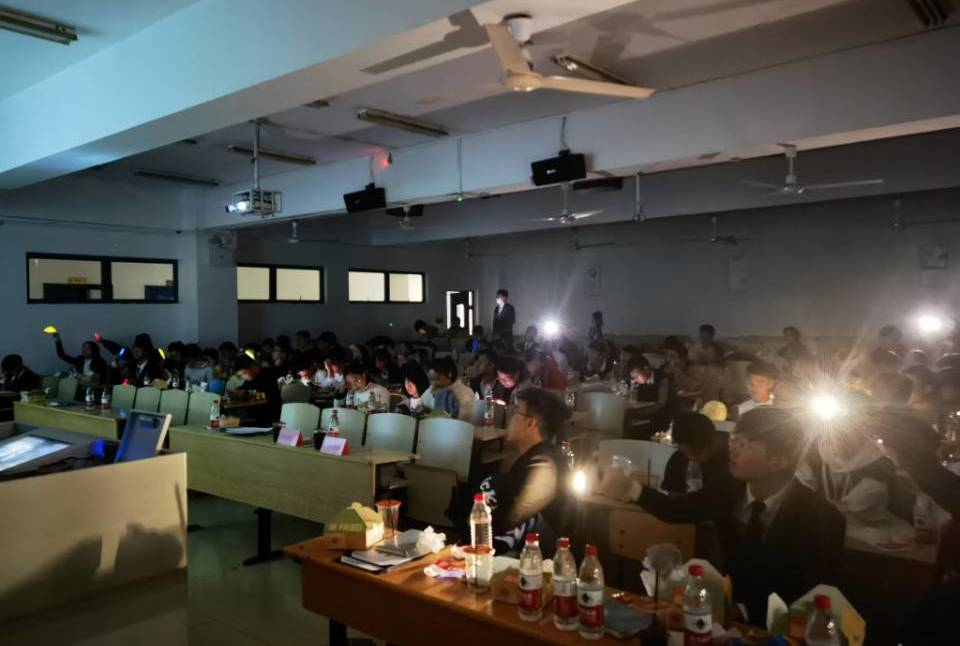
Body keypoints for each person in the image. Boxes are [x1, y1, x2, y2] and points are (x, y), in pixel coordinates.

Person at [601, 407, 845, 624]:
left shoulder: (822, 519)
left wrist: (744, 611)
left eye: (744, 445)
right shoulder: (728, 490)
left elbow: (809, 594)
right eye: (733, 441)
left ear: (779, 460)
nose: (733, 451)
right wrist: (630, 488)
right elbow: (679, 508)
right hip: (727, 619)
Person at [475, 388, 570, 556]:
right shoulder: (536, 457)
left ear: (530, 423)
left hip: (533, 562)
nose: (509, 416)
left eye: (515, 410)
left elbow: (513, 518)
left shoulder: (544, 465)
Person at [599, 411, 742, 522]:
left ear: (713, 441)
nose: (692, 459)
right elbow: (672, 502)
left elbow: (687, 510)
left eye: (696, 453)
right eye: (686, 453)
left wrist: (632, 489)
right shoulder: (680, 458)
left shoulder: (735, 465)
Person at [625, 356, 674, 435]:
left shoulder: (662, 379)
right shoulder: (640, 382)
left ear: (646, 369)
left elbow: (661, 404)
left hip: (661, 418)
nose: (635, 380)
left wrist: (641, 413)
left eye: (637, 376)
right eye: (633, 378)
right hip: (644, 415)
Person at [232, 355, 281, 423]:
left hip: (270, 418)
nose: (243, 377)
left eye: (243, 373)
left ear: (253, 367)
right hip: (253, 419)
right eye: (240, 376)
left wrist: (248, 394)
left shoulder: (268, 374)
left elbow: (270, 396)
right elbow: (243, 389)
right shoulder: (249, 381)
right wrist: (236, 392)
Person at [428, 356, 476, 421]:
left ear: (449, 374)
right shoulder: (437, 390)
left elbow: (462, 419)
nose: (434, 384)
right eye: (431, 379)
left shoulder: (465, 392)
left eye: (438, 379)